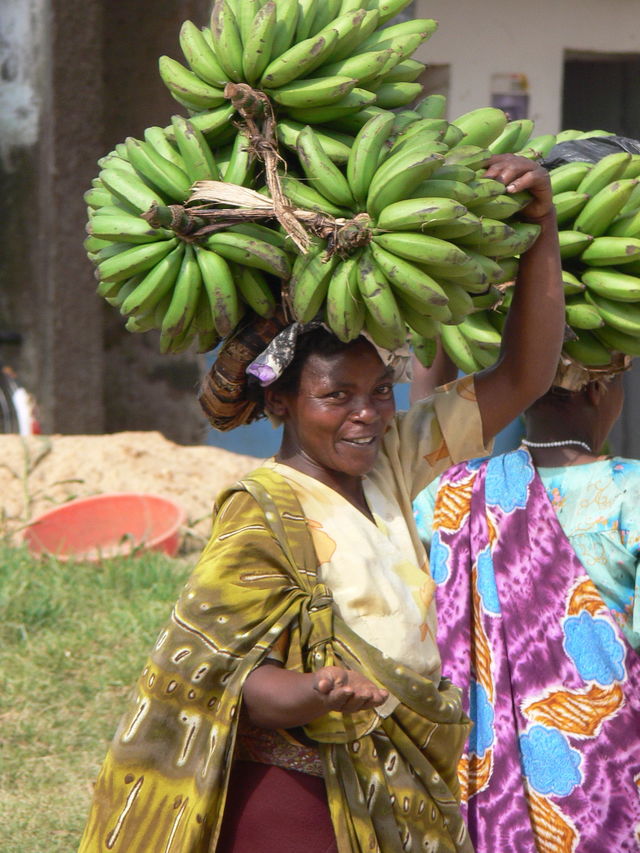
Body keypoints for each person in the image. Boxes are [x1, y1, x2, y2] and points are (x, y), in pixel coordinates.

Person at [77, 154, 565, 853]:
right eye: (336, 396)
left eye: (377, 392)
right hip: (298, 806)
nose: (365, 414)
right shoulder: (263, 509)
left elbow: (525, 373)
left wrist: (541, 230)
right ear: (281, 401)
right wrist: (315, 691)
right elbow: (232, 677)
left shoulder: (396, 461)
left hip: (393, 787)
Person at [413, 353, 640, 852]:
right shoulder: (632, 490)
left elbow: (421, 427)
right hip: (612, 770)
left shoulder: (457, 489)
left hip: (487, 774)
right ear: (599, 391)